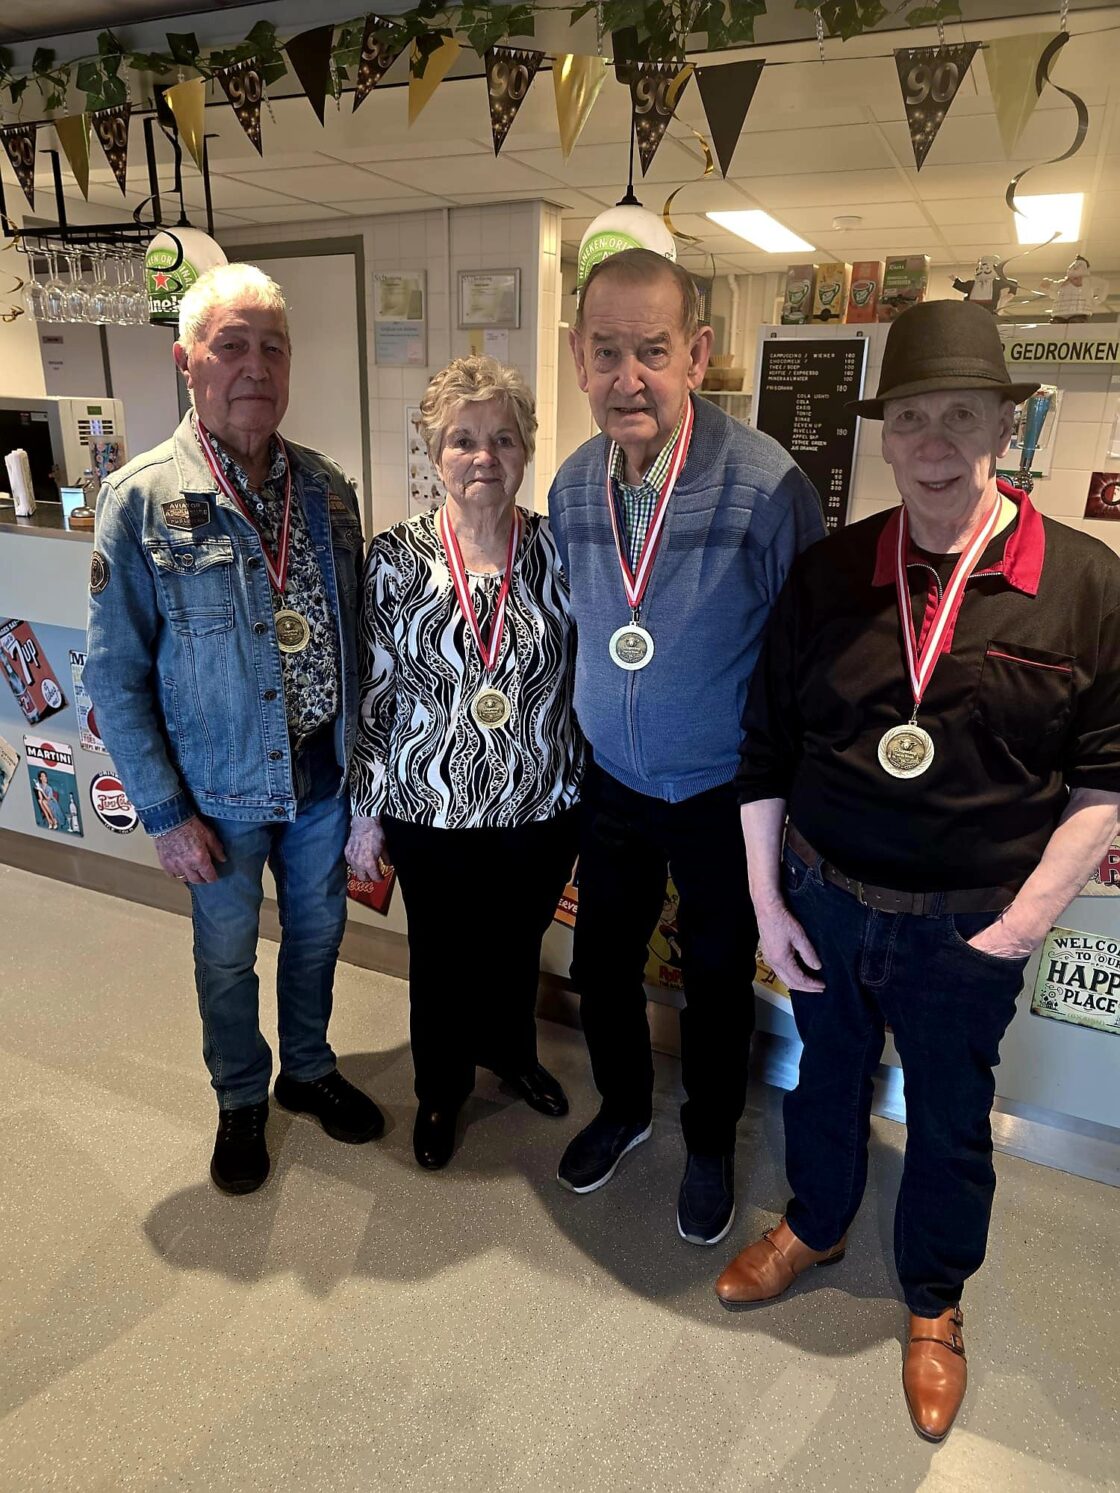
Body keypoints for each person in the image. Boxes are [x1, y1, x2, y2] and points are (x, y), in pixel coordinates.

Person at [717, 299, 1120, 1441]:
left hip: (967, 927)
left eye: (961, 415)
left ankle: (935, 1297)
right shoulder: (830, 573)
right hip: (826, 901)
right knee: (824, 1078)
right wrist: (766, 900)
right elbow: (765, 750)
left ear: (1006, 424)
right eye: (911, 418)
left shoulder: (1086, 583)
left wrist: (1017, 929)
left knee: (949, 1116)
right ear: (884, 436)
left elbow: (1105, 783)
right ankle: (817, 1223)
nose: (933, 441)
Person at [85, 263, 384, 1196]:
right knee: (225, 956)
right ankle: (241, 1097)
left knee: (318, 934)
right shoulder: (140, 498)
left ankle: (307, 1068)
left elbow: (362, 641)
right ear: (187, 362)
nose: (256, 366)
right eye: (232, 346)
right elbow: (113, 674)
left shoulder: (329, 490)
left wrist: (368, 784)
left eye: (273, 348)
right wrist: (165, 813)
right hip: (216, 790)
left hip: (322, 777)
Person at [548, 248, 825, 1245]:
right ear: (578, 358)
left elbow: (807, 659)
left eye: (653, 352)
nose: (628, 378)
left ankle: (709, 1141)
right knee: (601, 961)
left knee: (714, 979)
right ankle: (624, 1108)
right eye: (606, 352)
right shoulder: (571, 485)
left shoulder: (767, 485)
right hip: (614, 783)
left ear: (696, 354)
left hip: (723, 791)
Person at [346, 356, 582, 1171]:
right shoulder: (395, 556)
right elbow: (375, 690)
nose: (485, 456)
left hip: (540, 804)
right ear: (434, 453)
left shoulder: (560, 551)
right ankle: (442, 1087)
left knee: (517, 946)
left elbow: (586, 674)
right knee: (442, 956)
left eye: (503, 438)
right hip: (431, 806)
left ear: (526, 450)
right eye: (463, 439)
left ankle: (512, 1054)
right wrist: (365, 809)